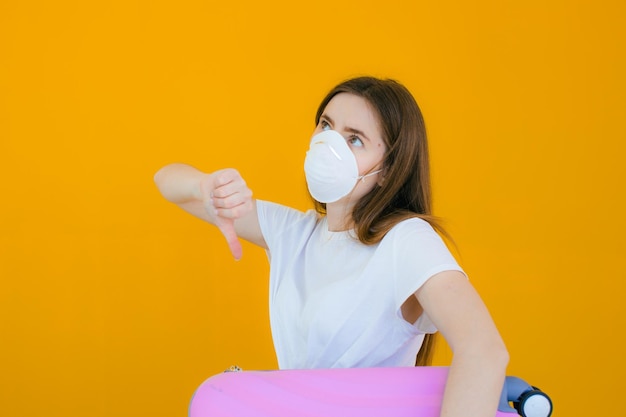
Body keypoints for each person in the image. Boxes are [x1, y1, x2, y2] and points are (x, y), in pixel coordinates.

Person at [154, 76, 509, 417]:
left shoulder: (406, 240)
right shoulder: (293, 232)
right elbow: (166, 180)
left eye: (354, 139)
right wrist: (204, 185)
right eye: (326, 125)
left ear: (388, 169)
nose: (330, 144)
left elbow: (484, 350)